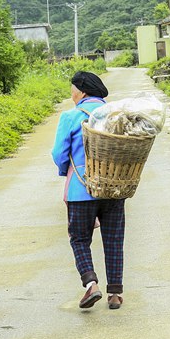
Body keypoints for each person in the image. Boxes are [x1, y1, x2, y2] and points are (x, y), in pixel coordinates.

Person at [51, 71, 126, 310]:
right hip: (114, 187)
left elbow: (59, 155)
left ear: (81, 91)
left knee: (80, 238)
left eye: (72, 89)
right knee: (113, 240)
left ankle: (91, 284)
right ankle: (115, 294)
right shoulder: (117, 116)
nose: (71, 94)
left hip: (81, 189)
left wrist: (68, 171)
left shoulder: (71, 116)